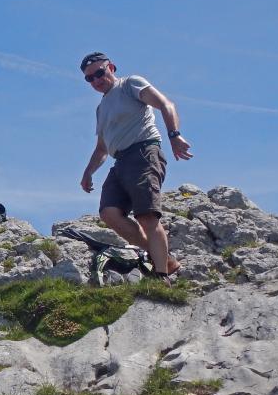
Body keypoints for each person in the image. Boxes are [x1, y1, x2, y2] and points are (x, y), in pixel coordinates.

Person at [78, 52, 192, 280]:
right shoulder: (101, 109)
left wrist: (174, 135)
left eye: (99, 73)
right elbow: (102, 147)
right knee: (109, 213)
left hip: (143, 152)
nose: (96, 80)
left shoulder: (130, 84)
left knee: (147, 217)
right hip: (120, 161)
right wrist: (88, 172)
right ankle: (163, 258)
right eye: (90, 79)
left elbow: (165, 104)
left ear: (111, 67)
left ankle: (161, 276)